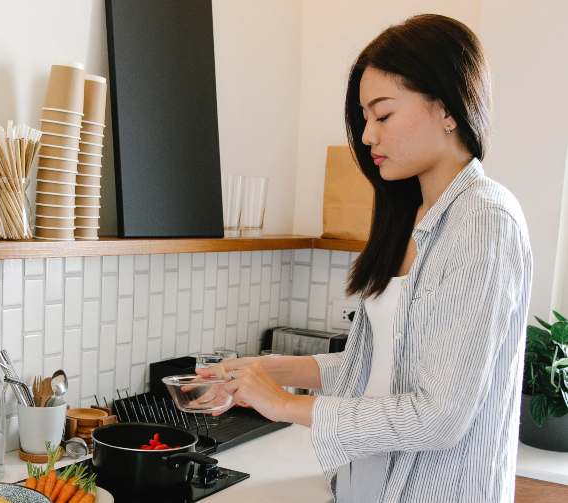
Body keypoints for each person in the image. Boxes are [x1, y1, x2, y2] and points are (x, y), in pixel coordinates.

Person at [197, 14, 533, 503]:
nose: (368, 135)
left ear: (447, 108)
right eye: (364, 118)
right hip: (363, 484)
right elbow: (372, 371)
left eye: (383, 114)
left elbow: (440, 417)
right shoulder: (409, 215)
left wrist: (284, 404)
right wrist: (264, 369)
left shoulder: (485, 220)